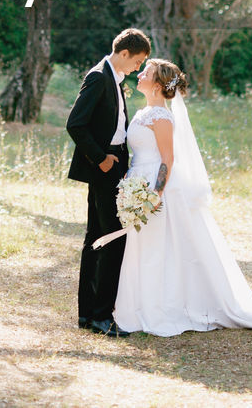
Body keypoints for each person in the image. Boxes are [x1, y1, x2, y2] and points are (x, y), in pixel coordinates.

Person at [114, 58, 252, 336]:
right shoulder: (144, 112)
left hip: (155, 187)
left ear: (159, 84)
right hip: (137, 180)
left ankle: (166, 306)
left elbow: (167, 159)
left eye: (146, 72)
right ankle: (140, 305)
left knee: (160, 250)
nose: (139, 74)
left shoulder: (161, 117)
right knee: (144, 248)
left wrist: (155, 193)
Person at [66, 27, 150, 337]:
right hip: (104, 166)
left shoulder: (113, 79)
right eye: (138, 61)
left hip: (114, 164)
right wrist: (101, 158)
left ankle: (88, 315)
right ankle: (101, 317)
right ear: (124, 53)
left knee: (97, 238)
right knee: (112, 240)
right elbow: (75, 124)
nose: (138, 68)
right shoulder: (99, 76)